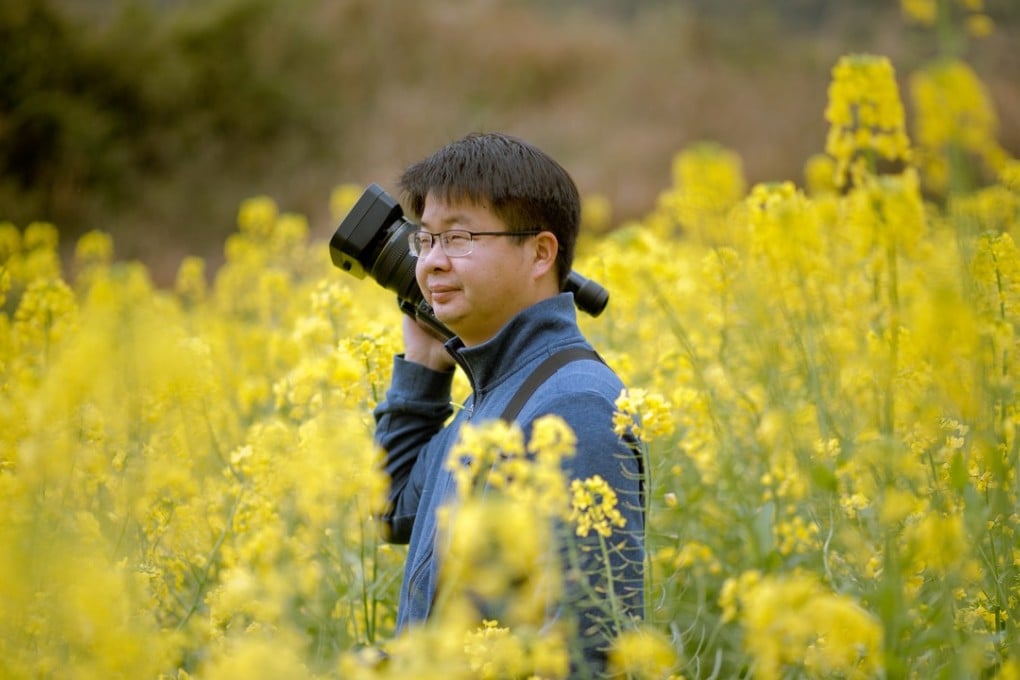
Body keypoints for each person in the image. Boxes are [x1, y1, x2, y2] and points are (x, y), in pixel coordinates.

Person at [374, 132, 645, 676]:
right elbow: (391, 510)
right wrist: (425, 366)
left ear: (541, 253)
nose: (432, 264)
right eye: (424, 241)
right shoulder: (486, 402)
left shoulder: (575, 405)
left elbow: (590, 648)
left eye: (459, 237)